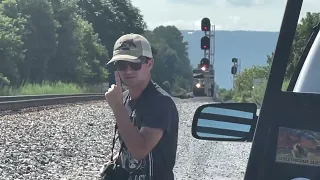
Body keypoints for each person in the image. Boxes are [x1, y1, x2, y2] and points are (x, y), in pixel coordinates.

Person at [102, 33, 179, 180]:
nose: (128, 70)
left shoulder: (160, 102)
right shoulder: (124, 98)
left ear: (149, 64)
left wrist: (117, 107)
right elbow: (129, 148)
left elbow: (139, 150)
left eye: (135, 64)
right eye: (121, 65)